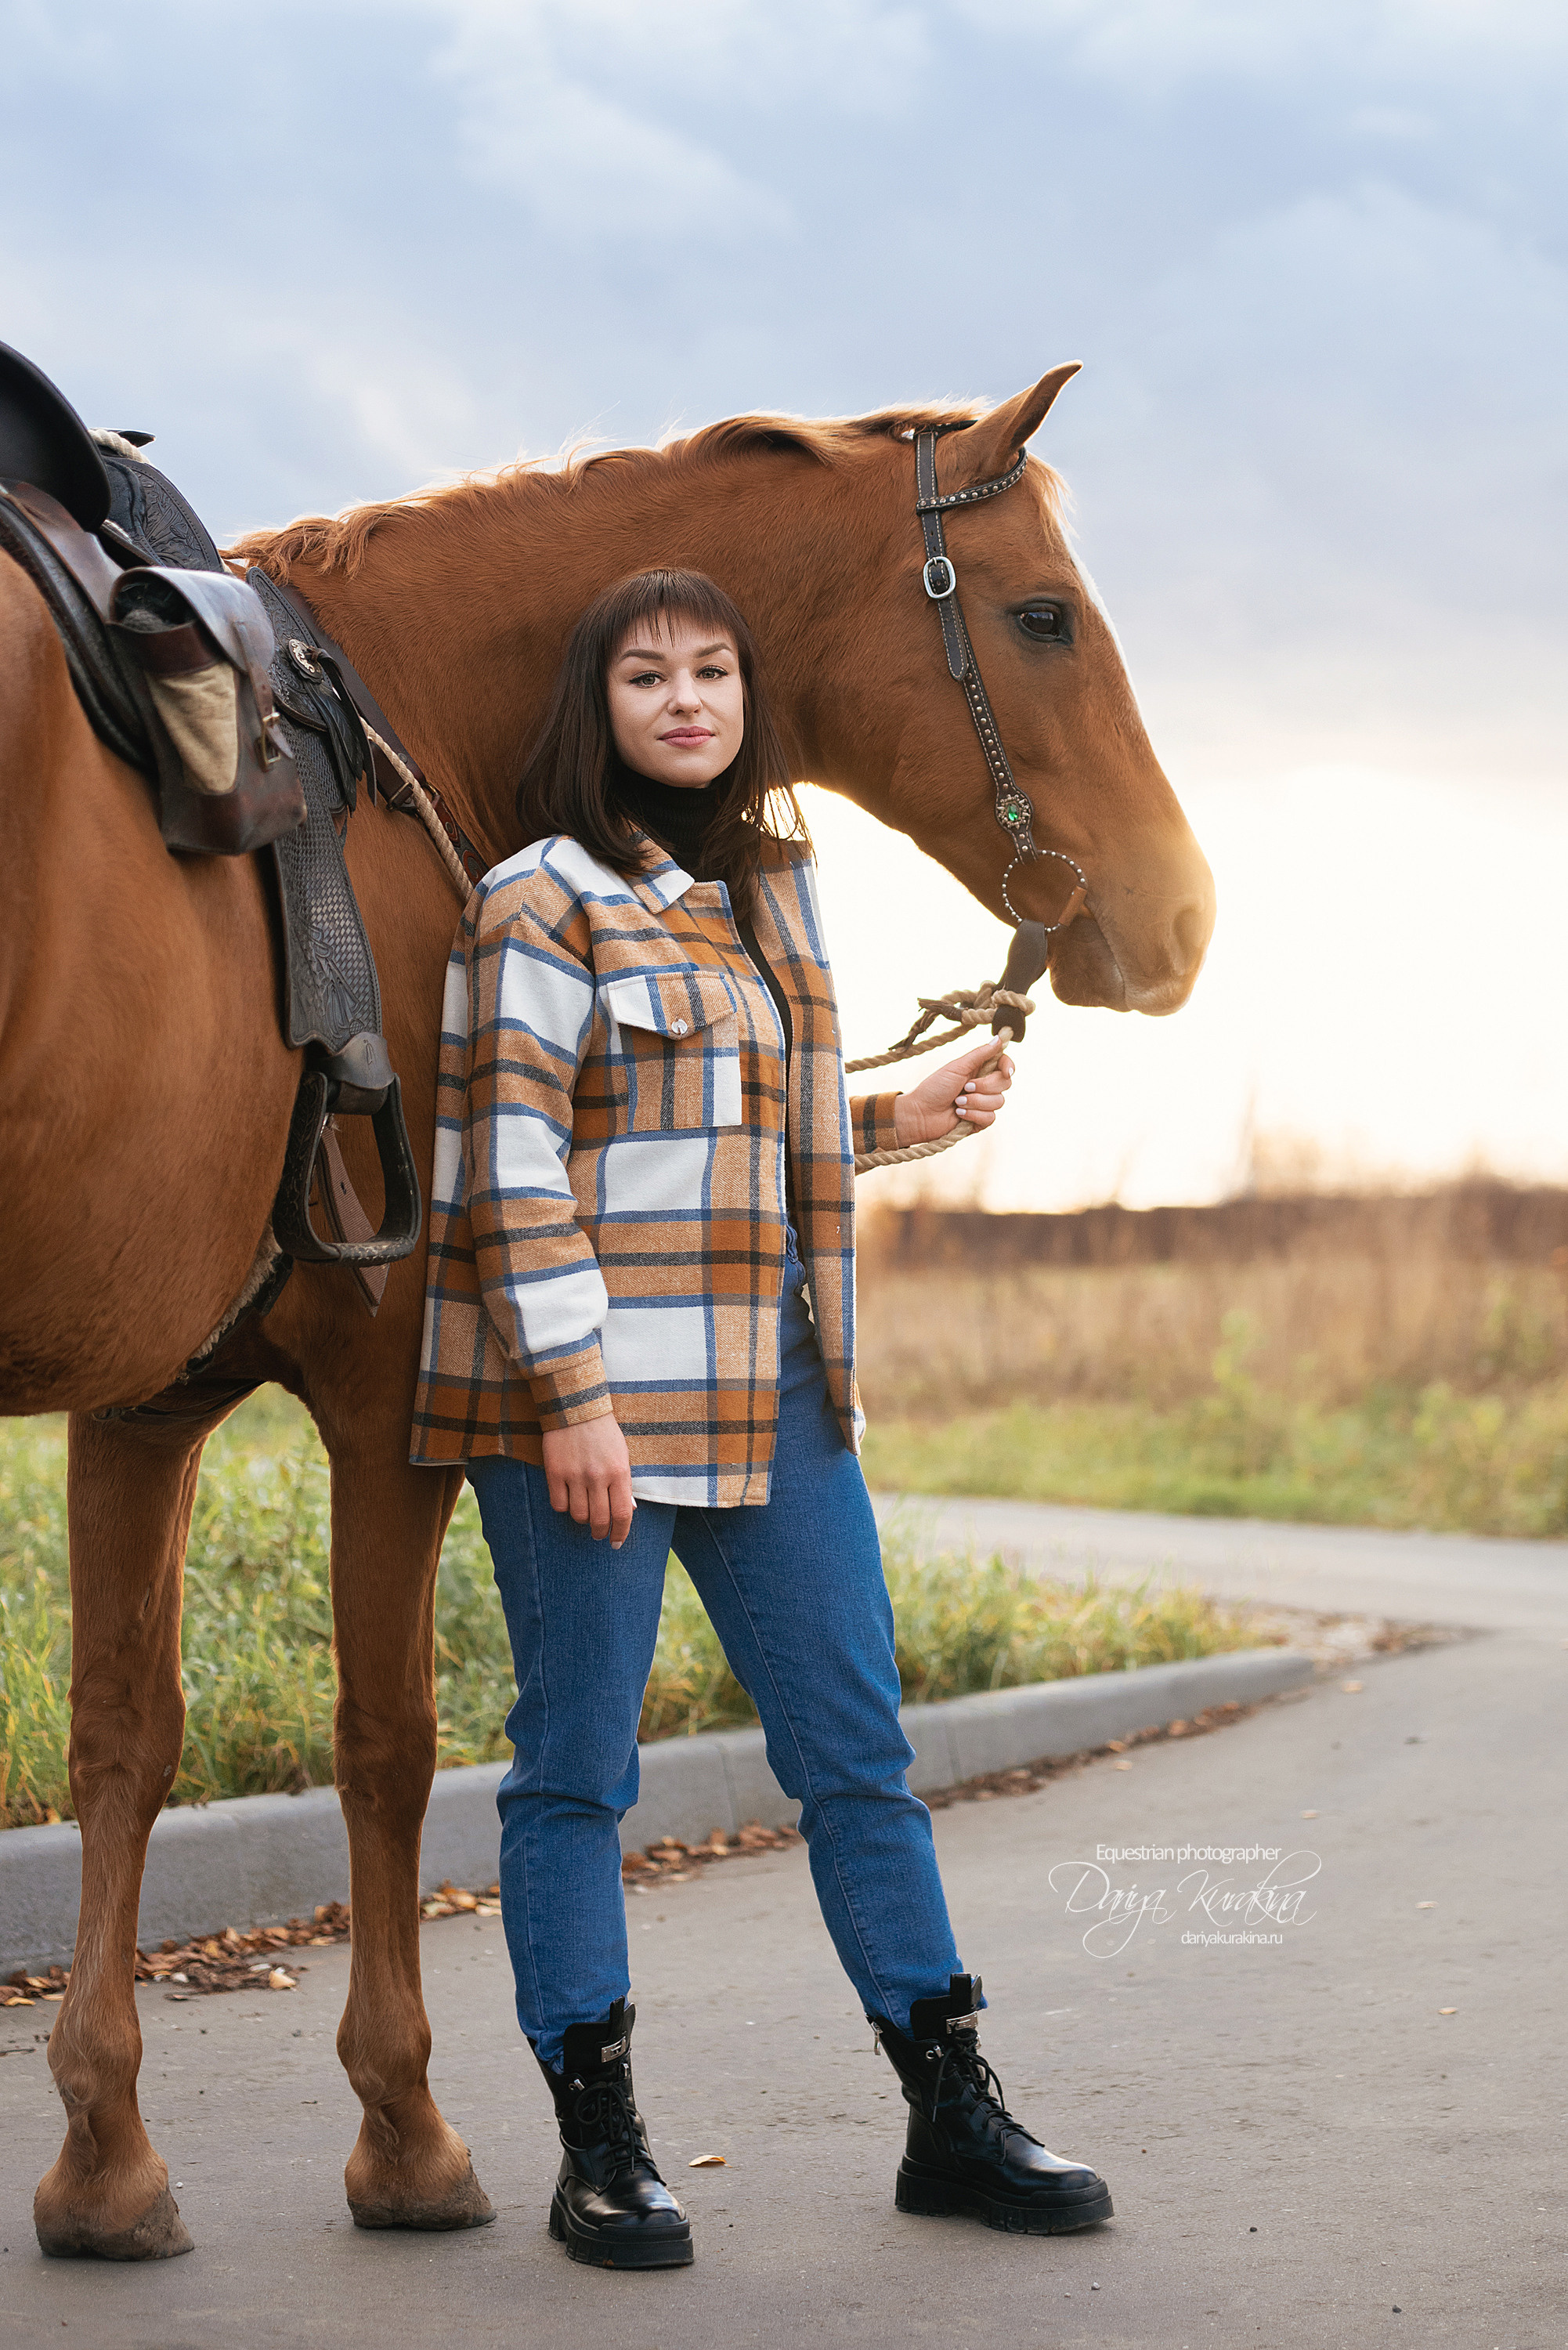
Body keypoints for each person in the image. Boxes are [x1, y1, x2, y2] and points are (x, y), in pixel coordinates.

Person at [410, 568, 1112, 2269]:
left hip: (773, 1390)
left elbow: (729, 1143)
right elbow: (511, 1176)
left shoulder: (766, 900)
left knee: (858, 1759)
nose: (683, 699)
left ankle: (950, 2111)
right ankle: (602, 2146)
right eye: (644, 673)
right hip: (586, 1410)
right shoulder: (537, 904)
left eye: (712, 669)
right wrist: (572, 1400)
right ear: (600, 710)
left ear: (743, 701)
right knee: (575, 1770)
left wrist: (888, 1115)